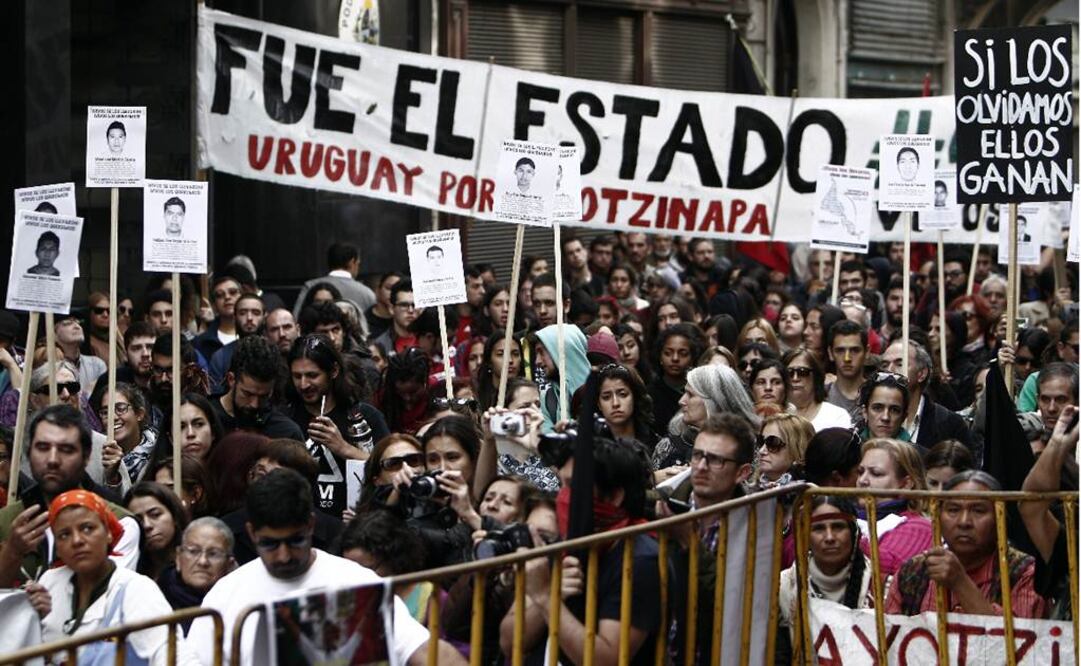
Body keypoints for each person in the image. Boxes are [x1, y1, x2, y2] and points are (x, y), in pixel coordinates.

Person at [188, 469, 464, 665]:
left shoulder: (356, 581)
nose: (284, 556)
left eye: (295, 540)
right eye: (270, 544)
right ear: (250, 533)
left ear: (311, 525)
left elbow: (422, 649)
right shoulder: (224, 596)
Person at [506, 437, 663, 666]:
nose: (564, 497)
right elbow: (509, 642)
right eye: (563, 485)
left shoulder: (639, 559)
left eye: (575, 487)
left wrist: (545, 598)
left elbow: (607, 660)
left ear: (615, 496)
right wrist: (553, 593)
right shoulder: (563, 542)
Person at [25, 489, 200, 664]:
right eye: (64, 535)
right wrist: (32, 618)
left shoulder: (135, 589)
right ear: (57, 547)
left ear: (108, 533)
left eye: (87, 528)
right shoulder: (50, 582)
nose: (77, 540)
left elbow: (171, 653)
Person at [0, 405, 141, 586]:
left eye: (66, 449)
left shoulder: (119, 523)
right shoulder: (6, 521)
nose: (52, 460)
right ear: (28, 454)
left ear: (87, 456)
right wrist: (12, 552)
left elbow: (111, 598)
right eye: (42, 447)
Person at [885, 471, 1046, 618]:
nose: (964, 522)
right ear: (938, 518)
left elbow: (1017, 644)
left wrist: (960, 582)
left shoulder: (1025, 573)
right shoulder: (913, 571)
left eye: (978, 511)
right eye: (953, 510)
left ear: (1000, 518)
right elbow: (887, 640)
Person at [286, 334, 389, 518]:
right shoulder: (286, 420)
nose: (303, 384)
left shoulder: (365, 416)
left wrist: (344, 448)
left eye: (312, 375)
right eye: (297, 376)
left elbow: (389, 470)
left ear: (333, 371)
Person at [777, 496, 873, 656]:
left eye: (838, 527)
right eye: (818, 528)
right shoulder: (783, 587)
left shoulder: (879, 585)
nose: (829, 537)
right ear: (806, 537)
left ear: (853, 532)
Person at [652, 364, 759, 474]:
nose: (681, 401)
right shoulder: (668, 447)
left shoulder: (750, 447)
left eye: (690, 394)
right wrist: (655, 479)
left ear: (714, 401)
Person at [856, 438, 932, 576]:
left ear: (906, 484)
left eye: (876, 473)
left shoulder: (920, 527)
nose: (862, 480)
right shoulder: (849, 516)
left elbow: (888, 565)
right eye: (860, 472)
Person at [880, 339, 972, 452]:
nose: (889, 371)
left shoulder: (950, 424)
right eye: (884, 365)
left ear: (922, 374)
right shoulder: (871, 419)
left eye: (900, 364)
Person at [212, 335, 303, 440]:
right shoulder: (206, 420)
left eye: (264, 396)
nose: (255, 404)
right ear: (231, 379)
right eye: (248, 394)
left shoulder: (285, 432)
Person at [158, 517, 237, 633]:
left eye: (214, 554)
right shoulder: (157, 598)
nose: (203, 561)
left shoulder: (237, 600)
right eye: (193, 551)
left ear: (229, 564)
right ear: (178, 558)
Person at [91, 382, 157, 485]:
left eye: (120, 409)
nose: (113, 417)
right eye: (105, 412)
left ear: (139, 414)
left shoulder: (158, 454)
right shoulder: (95, 455)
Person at [293, 242, 377, 318]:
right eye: (358, 263)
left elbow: (296, 319)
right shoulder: (367, 293)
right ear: (352, 262)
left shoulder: (310, 286)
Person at [125, 481, 188, 581]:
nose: (147, 525)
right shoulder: (129, 570)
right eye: (138, 520)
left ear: (174, 515)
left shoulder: (196, 561)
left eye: (155, 514)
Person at [648, 323, 705, 434]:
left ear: (693, 357)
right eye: (668, 353)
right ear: (660, 356)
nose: (675, 358)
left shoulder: (700, 392)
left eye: (683, 353)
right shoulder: (650, 394)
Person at [534, 323, 589, 431]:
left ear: (564, 350)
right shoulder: (547, 398)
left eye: (542, 352)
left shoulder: (602, 392)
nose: (537, 361)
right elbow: (547, 440)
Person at [783, 347, 852, 431]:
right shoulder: (776, 415)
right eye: (789, 372)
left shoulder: (837, 416)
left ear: (816, 376)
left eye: (803, 372)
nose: (795, 378)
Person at [208, 292, 267, 391]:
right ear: (234, 317)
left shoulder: (275, 353)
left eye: (256, 313)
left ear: (264, 317)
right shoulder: (221, 357)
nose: (249, 318)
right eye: (243, 313)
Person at [596, 362, 656, 450]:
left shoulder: (657, 447)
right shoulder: (590, 449)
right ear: (599, 404)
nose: (615, 403)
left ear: (635, 397)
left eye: (623, 394)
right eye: (606, 397)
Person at [752, 412, 813, 491]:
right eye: (760, 441)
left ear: (798, 448)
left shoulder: (811, 492)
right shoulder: (747, 490)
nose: (761, 451)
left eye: (773, 443)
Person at [192, 274, 243, 362]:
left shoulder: (257, 336)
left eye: (233, 292)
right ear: (214, 305)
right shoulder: (201, 342)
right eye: (219, 295)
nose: (227, 297)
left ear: (243, 297)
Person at [825, 320, 868, 417]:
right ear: (830, 353)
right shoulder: (820, 397)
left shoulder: (877, 396)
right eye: (840, 351)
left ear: (867, 352)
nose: (847, 358)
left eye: (855, 350)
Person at [53, 315, 106, 393]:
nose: (77, 326)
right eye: (67, 323)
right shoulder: (49, 366)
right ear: (54, 334)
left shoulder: (97, 365)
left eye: (79, 323)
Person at [856, 372, 910, 440]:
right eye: (877, 408)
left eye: (894, 410)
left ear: (904, 416)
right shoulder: (848, 447)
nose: (885, 417)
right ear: (865, 412)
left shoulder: (916, 451)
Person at [373, 279, 419, 356]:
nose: (410, 310)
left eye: (415, 305)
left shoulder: (432, 342)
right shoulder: (379, 346)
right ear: (391, 309)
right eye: (404, 305)